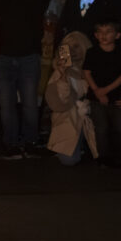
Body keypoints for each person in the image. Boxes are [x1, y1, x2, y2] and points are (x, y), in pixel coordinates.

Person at [0, 0, 50, 159]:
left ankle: (30, 141)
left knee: (30, 103)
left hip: (29, 56)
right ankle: (11, 142)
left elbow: (33, 10)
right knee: (7, 104)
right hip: (5, 56)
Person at [83, 20, 121, 167]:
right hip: (96, 98)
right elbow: (86, 72)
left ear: (117, 35)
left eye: (108, 32)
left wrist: (105, 90)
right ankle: (103, 157)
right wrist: (97, 91)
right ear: (95, 35)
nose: (104, 35)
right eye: (100, 32)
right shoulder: (92, 52)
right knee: (101, 128)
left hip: (116, 97)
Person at [45, 31, 95, 165]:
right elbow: (60, 102)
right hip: (70, 119)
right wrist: (63, 75)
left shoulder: (94, 68)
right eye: (68, 47)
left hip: (92, 117)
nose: (72, 51)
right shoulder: (60, 73)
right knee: (69, 160)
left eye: (76, 46)